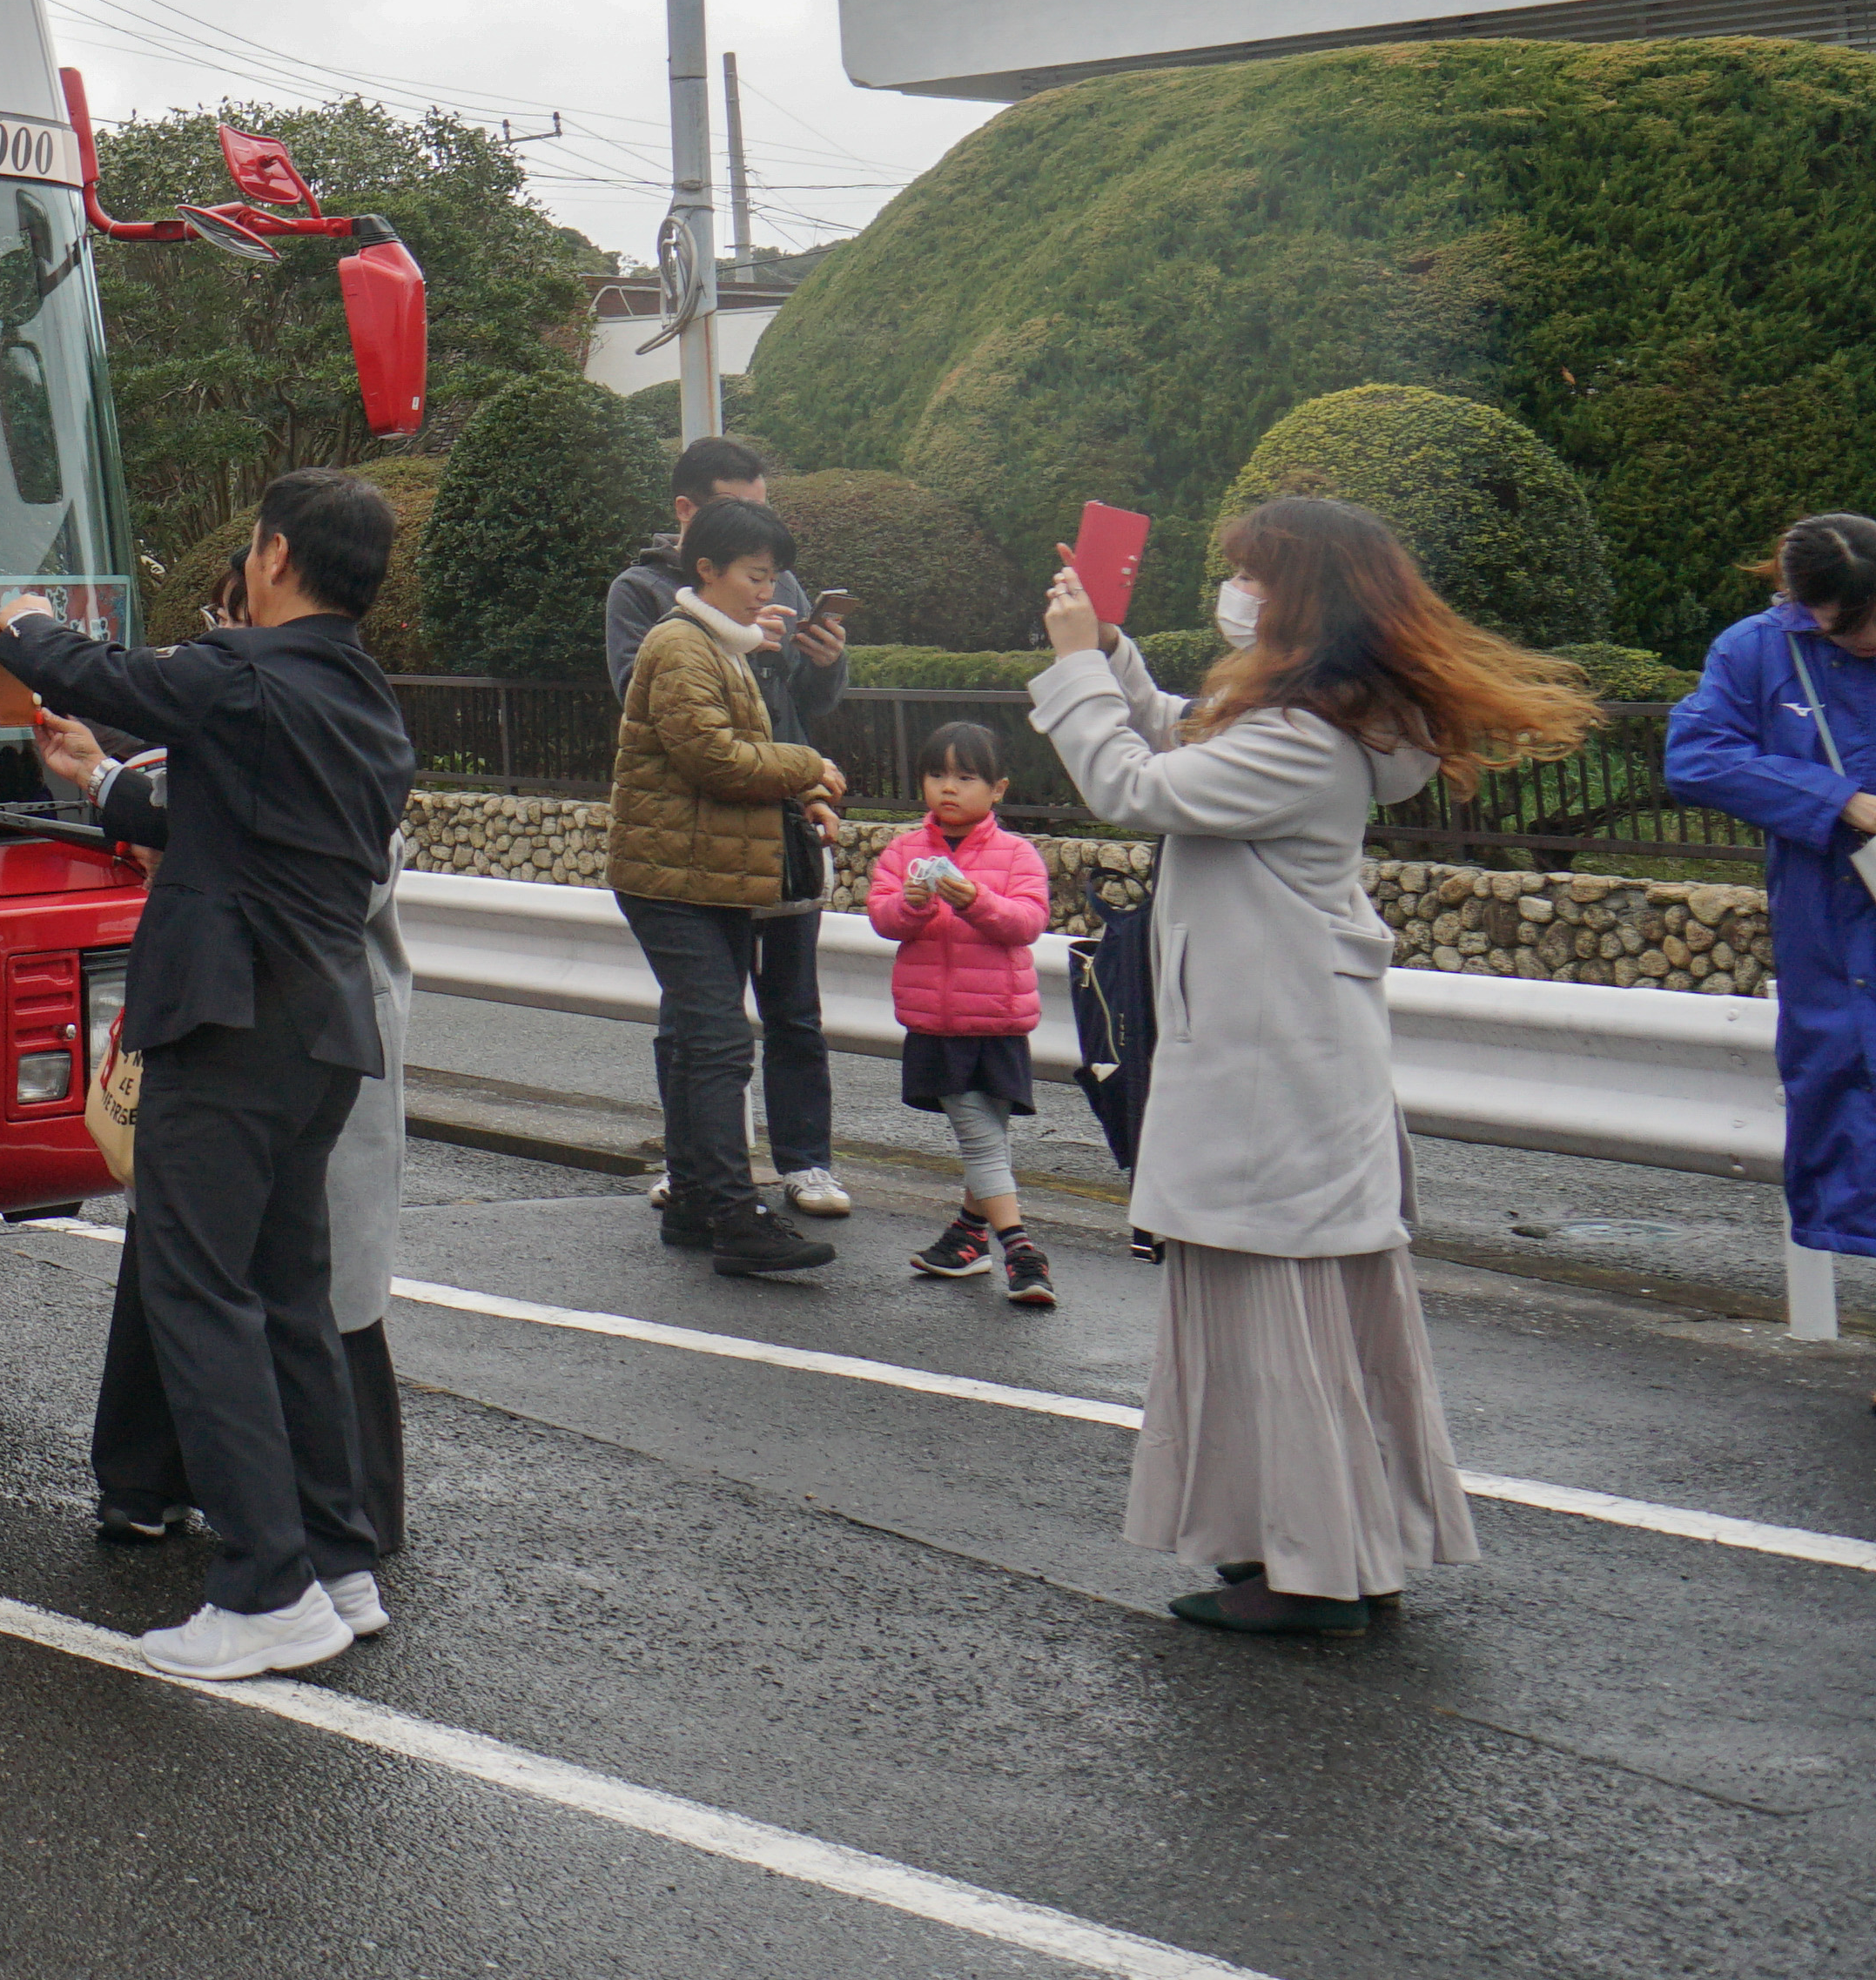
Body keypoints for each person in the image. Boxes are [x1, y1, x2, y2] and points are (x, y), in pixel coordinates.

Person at [1033, 494, 1592, 1633]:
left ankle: (1311, 1571)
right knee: (1312, 1319)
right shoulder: (1328, 720)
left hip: (1264, 1071)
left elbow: (1136, 788)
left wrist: (1078, 670)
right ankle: (1335, 1547)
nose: (1235, 595)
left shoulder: (1299, 739)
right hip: (1288, 1057)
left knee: (1268, 1311)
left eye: (1252, 577)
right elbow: (1186, 734)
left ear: (1300, 600)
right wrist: (1110, 656)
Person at [0, 466, 414, 1682]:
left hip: (226, 1030)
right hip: (322, 1036)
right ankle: (338, 1563)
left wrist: (21, 626)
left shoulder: (245, 675)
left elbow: (106, 674)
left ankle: (265, 1588)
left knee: (196, 1290)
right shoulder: (365, 703)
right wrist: (101, 782)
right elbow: (241, 822)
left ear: (274, 556)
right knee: (289, 1296)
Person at [35, 709, 419, 1571]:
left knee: (261, 1263)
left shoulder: (311, 734)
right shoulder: (321, 725)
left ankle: (283, 1526)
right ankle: (309, 1523)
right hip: (274, 1024)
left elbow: (260, 854)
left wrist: (131, 803)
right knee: (234, 1256)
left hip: (285, 1022)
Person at [607, 436, 860, 1218]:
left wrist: (821, 660)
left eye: (765, 514)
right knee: (701, 1020)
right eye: (739, 516)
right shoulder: (649, 597)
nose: (768, 572)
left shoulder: (774, 579)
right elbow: (667, 717)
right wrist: (750, 656)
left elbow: (805, 711)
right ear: (691, 519)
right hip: (698, 840)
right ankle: (702, 1175)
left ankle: (802, 1161)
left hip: (775, 823)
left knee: (790, 1005)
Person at [1659, 513, 1876, 1389]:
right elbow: (1696, 755)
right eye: (1851, 623)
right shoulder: (1756, 651)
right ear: (1803, 605)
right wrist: (1840, 801)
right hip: (1832, 918)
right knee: (1847, 1091)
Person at [864, 721, 1058, 1305]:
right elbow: (883, 917)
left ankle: (968, 1237)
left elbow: (1027, 923)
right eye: (936, 774)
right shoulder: (905, 851)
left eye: (966, 777)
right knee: (980, 1140)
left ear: (997, 789)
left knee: (988, 1139)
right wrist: (913, 904)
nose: (949, 788)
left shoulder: (1016, 854)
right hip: (937, 1023)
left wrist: (975, 899)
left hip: (998, 1020)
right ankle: (1022, 1251)